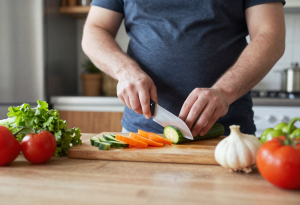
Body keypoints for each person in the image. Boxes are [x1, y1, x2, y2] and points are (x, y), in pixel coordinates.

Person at [82, 0, 286, 136]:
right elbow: (95, 29)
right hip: (140, 134)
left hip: (226, 135)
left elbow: (270, 34)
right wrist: (123, 71)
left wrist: (225, 91)